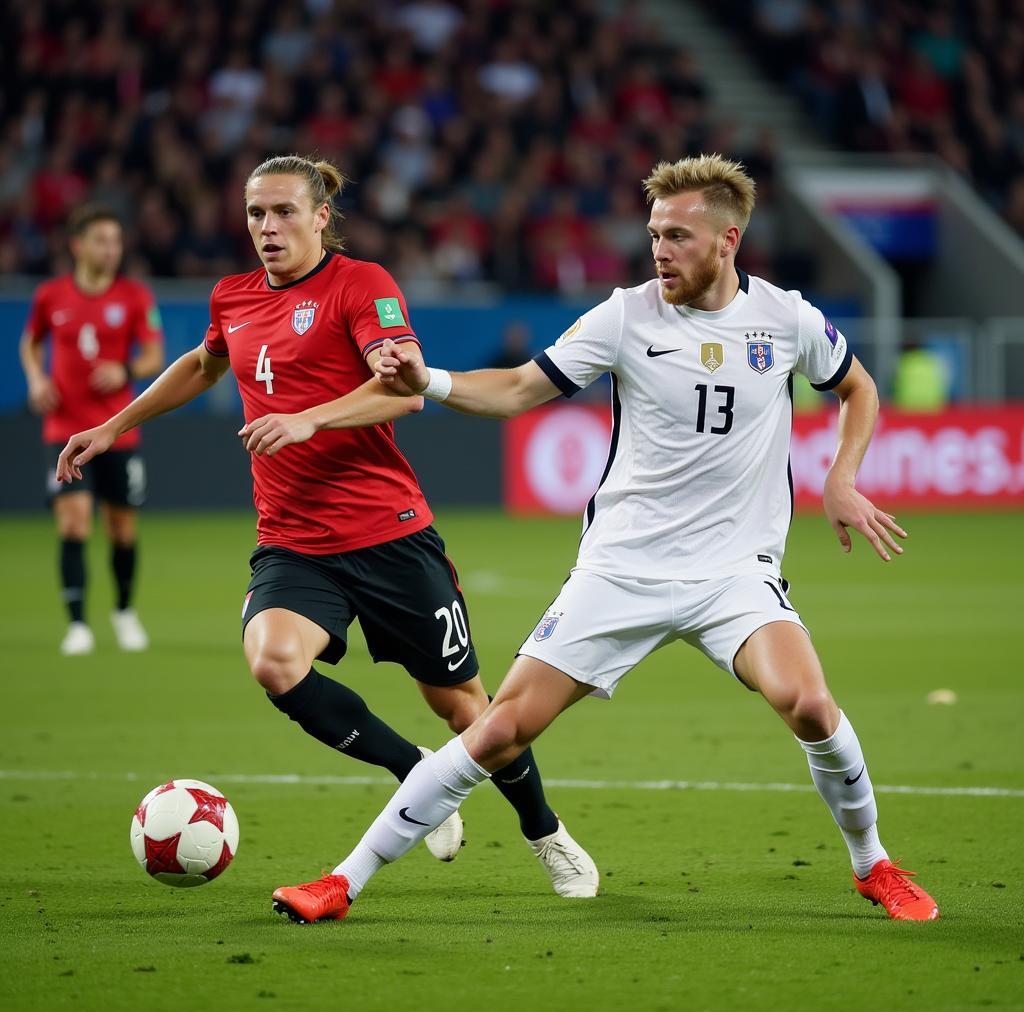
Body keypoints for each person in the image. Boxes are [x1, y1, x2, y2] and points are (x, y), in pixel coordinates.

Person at [270, 154, 940, 925]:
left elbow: (857, 386)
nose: (659, 250)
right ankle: (344, 881)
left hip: (733, 574)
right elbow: (522, 386)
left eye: (678, 237)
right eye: (654, 234)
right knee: (500, 729)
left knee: (812, 706)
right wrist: (431, 381)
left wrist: (843, 476)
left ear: (728, 241)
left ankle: (873, 864)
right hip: (621, 569)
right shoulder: (626, 315)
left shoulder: (786, 319)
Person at [56, 154, 597, 897]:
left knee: (466, 707)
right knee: (274, 661)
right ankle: (412, 770)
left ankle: (545, 832)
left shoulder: (360, 285)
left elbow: (402, 391)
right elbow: (203, 364)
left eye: (283, 212)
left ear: (320, 217)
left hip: (390, 533)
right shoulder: (233, 296)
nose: (268, 227)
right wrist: (114, 425)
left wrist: (309, 419)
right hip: (295, 542)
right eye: (255, 213)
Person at [20, 204, 165, 655]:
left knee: (122, 529)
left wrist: (124, 371)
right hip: (63, 428)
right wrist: (37, 378)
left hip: (118, 431)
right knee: (74, 524)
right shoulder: (51, 296)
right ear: (78, 245)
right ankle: (78, 624)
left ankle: (123, 612)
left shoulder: (135, 297)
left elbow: (154, 357)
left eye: (116, 241)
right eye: (101, 240)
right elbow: (30, 341)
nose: (111, 250)